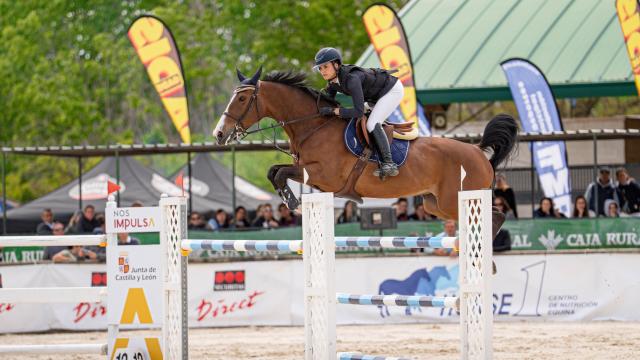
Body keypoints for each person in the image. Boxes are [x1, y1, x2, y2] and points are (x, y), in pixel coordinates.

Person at [314, 47, 404, 178]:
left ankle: (389, 163)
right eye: (320, 68)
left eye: (325, 67)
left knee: (372, 123)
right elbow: (328, 100)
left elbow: (358, 111)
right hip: (375, 96)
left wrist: (334, 111)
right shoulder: (333, 80)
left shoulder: (351, 79)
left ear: (336, 64)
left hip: (391, 91)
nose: (322, 71)